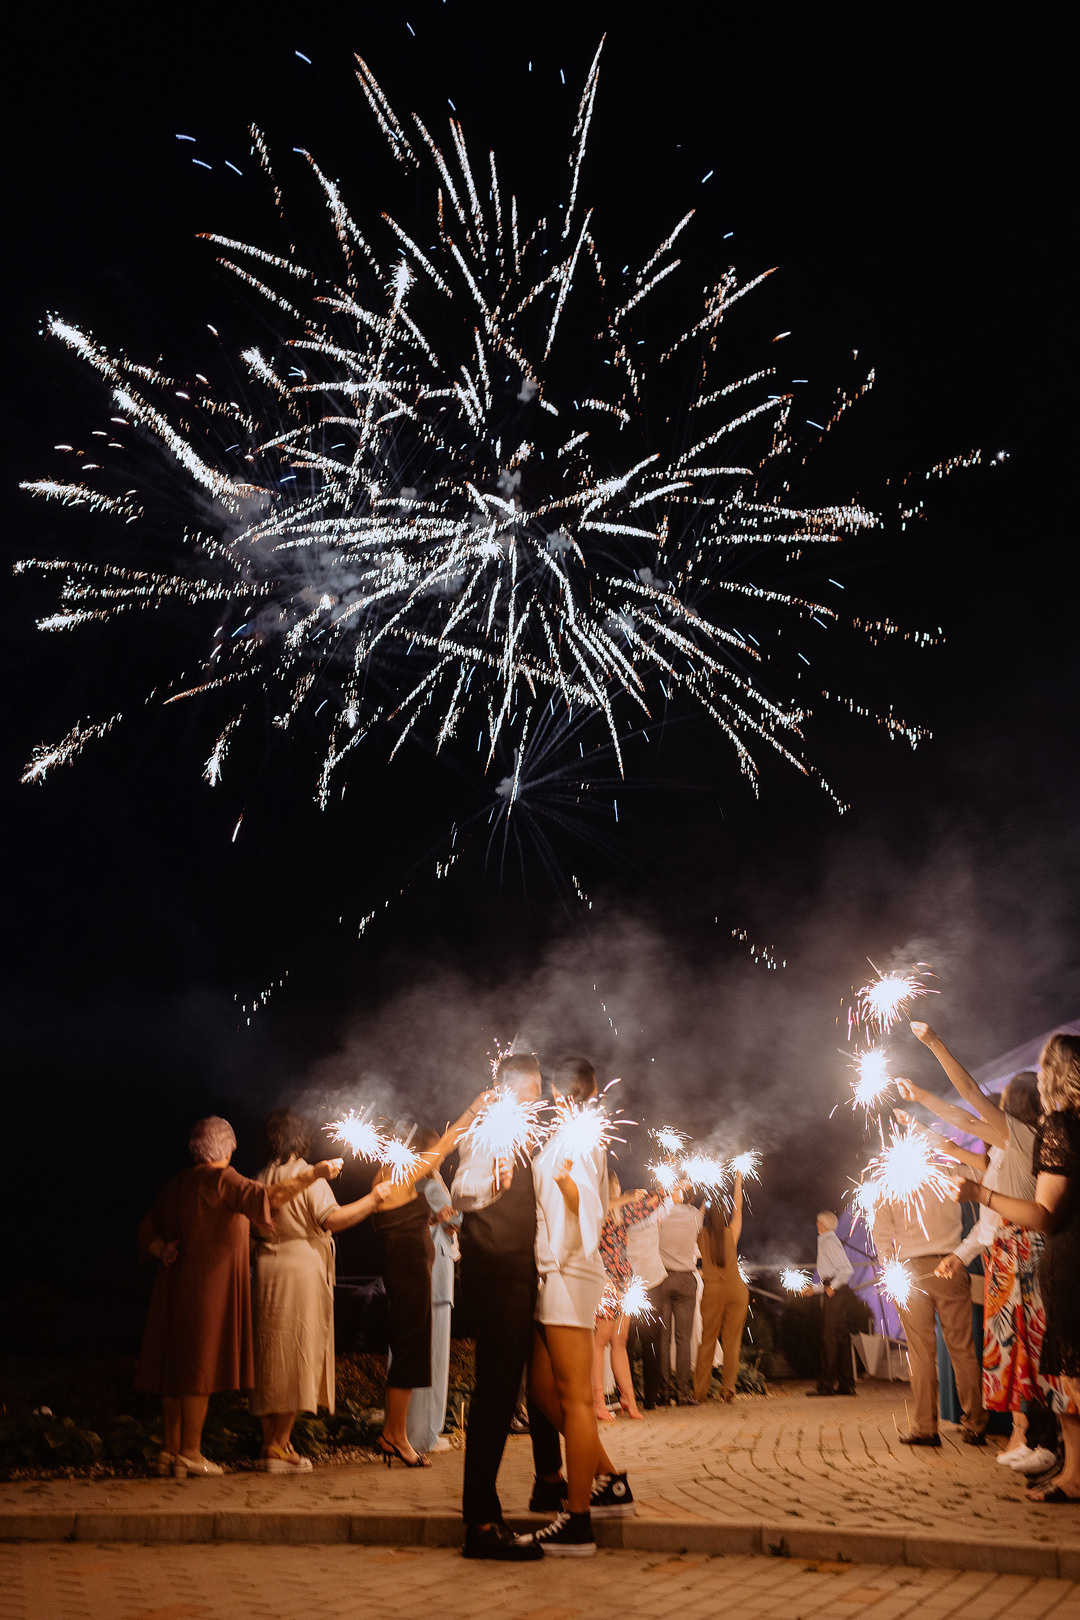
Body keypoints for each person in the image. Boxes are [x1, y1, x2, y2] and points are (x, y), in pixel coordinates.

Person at [136, 1116, 343, 1479]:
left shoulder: (177, 1183)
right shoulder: (224, 1179)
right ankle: (190, 1452)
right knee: (198, 1368)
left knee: (174, 1366)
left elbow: (146, 1227)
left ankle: (169, 1451)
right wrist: (314, 1174)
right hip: (208, 1285)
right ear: (227, 1146)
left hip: (171, 1285)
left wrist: (160, 1247)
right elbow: (268, 1199)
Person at [901, 1023, 1064, 1474]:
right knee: (1023, 1353)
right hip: (1012, 1254)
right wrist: (921, 1103)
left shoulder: (1023, 1138)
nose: (992, 1108)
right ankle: (1034, 1435)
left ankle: (1043, 1438)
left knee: (1030, 1352)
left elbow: (970, 1098)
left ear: (1014, 1108)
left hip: (1022, 1255)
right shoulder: (1017, 1147)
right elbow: (962, 1124)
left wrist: (934, 1043)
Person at [951, 1032, 1080, 1501]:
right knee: (1051, 1363)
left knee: (1057, 1364)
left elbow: (1043, 1213)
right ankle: (1055, 1457)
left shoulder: (1055, 1129)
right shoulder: (1054, 1131)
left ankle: (1055, 1456)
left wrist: (981, 1194)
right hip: (1037, 1254)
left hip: (1048, 1254)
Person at [453, 1050, 563, 1563]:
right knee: (497, 1391)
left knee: (535, 1377)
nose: (539, 1096)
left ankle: (547, 1480)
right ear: (510, 1089)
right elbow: (458, 1189)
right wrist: (491, 1187)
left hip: (521, 1271)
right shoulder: (489, 1131)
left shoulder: (526, 1137)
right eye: (533, 1087)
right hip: (496, 1271)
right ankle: (479, 1520)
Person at [526, 1055, 633, 1557]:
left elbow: (588, 1212)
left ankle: (578, 1521)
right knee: (545, 1391)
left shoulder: (580, 1138)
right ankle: (610, 1480)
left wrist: (569, 1192)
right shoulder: (578, 1133)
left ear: (556, 1093)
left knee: (572, 1398)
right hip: (557, 1273)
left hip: (570, 1273)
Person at [252, 1108, 391, 1472]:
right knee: (297, 1354)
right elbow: (334, 1219)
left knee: (272, 1356)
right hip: (301, 1268)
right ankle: (279, 1445)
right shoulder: (307, 1176)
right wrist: (374, 1199)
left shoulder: (263, 1176)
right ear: (301, 1140)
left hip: (266, 1267)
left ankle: (272, 1444)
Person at [373, 1089, 490, 1468]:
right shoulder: (405, 1173)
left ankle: (395, 1433)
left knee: (408, 1349)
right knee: (409, 1350)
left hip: (406, 1269)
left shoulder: (385, 1175)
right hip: (410, 1271)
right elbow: (447, 1142)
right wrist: (473, 1108)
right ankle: (396, 1436)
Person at [871, 1183, 987, 1445]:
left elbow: (881, 1237)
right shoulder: (950, 1175)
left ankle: (926, 1427)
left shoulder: (890, 1183)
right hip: (951, 1263)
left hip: (910, 1271)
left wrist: (891, 1271)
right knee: (962, 1349)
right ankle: (976, 1423)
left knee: (921, 1352)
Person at [593, 1173, 665, 1421]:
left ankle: (629, 1399)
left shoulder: (620, 1213)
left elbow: (646, 1208)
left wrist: (667, 1188)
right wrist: (623, 1198)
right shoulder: (595, 1209)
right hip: (604, 1280)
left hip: (623, 1279)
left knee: (620, 1340)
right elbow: (599, 1208)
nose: (621, 1187)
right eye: (617, 1184)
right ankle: (597, 1399)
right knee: (600, 1339)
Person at [404, 1156, 461, 1456]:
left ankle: (413, 1431)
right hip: (436, 1276)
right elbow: (453, 1218)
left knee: (418, 1355)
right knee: (434, 1359)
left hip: (419, 1273)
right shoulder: (429, 1181)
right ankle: (426, 1435)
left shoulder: (406, 1178)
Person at [694, 1171, 749, 1404]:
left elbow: (695, 1219)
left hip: (713, 1291)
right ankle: (728, 1390)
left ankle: (700, 1392)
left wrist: (704, 1206)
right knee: (732, 1342)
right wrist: (738, 1182)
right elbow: (738, 1208)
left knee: (707, 1341)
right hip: (737, 1290)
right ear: (724, 1216)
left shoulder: (700, 1235)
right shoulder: (730, 1233)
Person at [655, 1190, 705, 1405]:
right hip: (686, 1278)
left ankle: (664, 1392)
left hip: (663, 1277)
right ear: (691, 1198)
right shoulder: (696, 1215)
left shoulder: (661, 1211)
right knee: (684, 1340)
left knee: (663, 1339)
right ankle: (683, 1392)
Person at [803, 1211, 856, 1397]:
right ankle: (846, 1384)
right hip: (837, 1292)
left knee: (830, 1339)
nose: (816, 1225)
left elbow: (845, 1270)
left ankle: (826, 1385)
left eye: (818, 1222)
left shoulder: (828, 1241)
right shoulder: (829, 1241)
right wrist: (816, 1289)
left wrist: (832, 1287)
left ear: (822, 1225)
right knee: (840, 1338)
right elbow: (832, 1274)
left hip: (836, 1294)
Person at [625, 1192, 668, 1410]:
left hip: (630, 1285)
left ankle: (629, 1394)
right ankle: (651, 1397)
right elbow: (666, 1200)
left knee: (627, 1345)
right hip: (653, 1282)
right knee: (653, 1343)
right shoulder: (654, 1217)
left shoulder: (624, 1222)